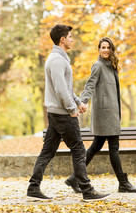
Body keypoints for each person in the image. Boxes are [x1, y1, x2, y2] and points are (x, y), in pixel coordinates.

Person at [26, 25, 110, 202]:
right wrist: (72, 110)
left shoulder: (60, 59)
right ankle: (87, 190)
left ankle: (33, 188)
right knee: (79, 150)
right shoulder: (56, 60)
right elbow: (61, 90)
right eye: (70, 37)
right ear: (62, 39)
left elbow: (67, 88)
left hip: (56, 114)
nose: (72, 39)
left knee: (47, 152)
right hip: (63, 115)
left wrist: (78, 102)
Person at [64, 37, 136, 193]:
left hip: (111, 114)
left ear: (111, 49)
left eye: (108, 47)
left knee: (95, 147)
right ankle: (123, 182)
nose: (105, 50)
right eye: (103, 47)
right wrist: (82, 101)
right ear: (98, 50)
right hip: (105, 114)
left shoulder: (112, 66)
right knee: (114, 148)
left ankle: (74, 178)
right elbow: (90, 85)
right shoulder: (98, 66)